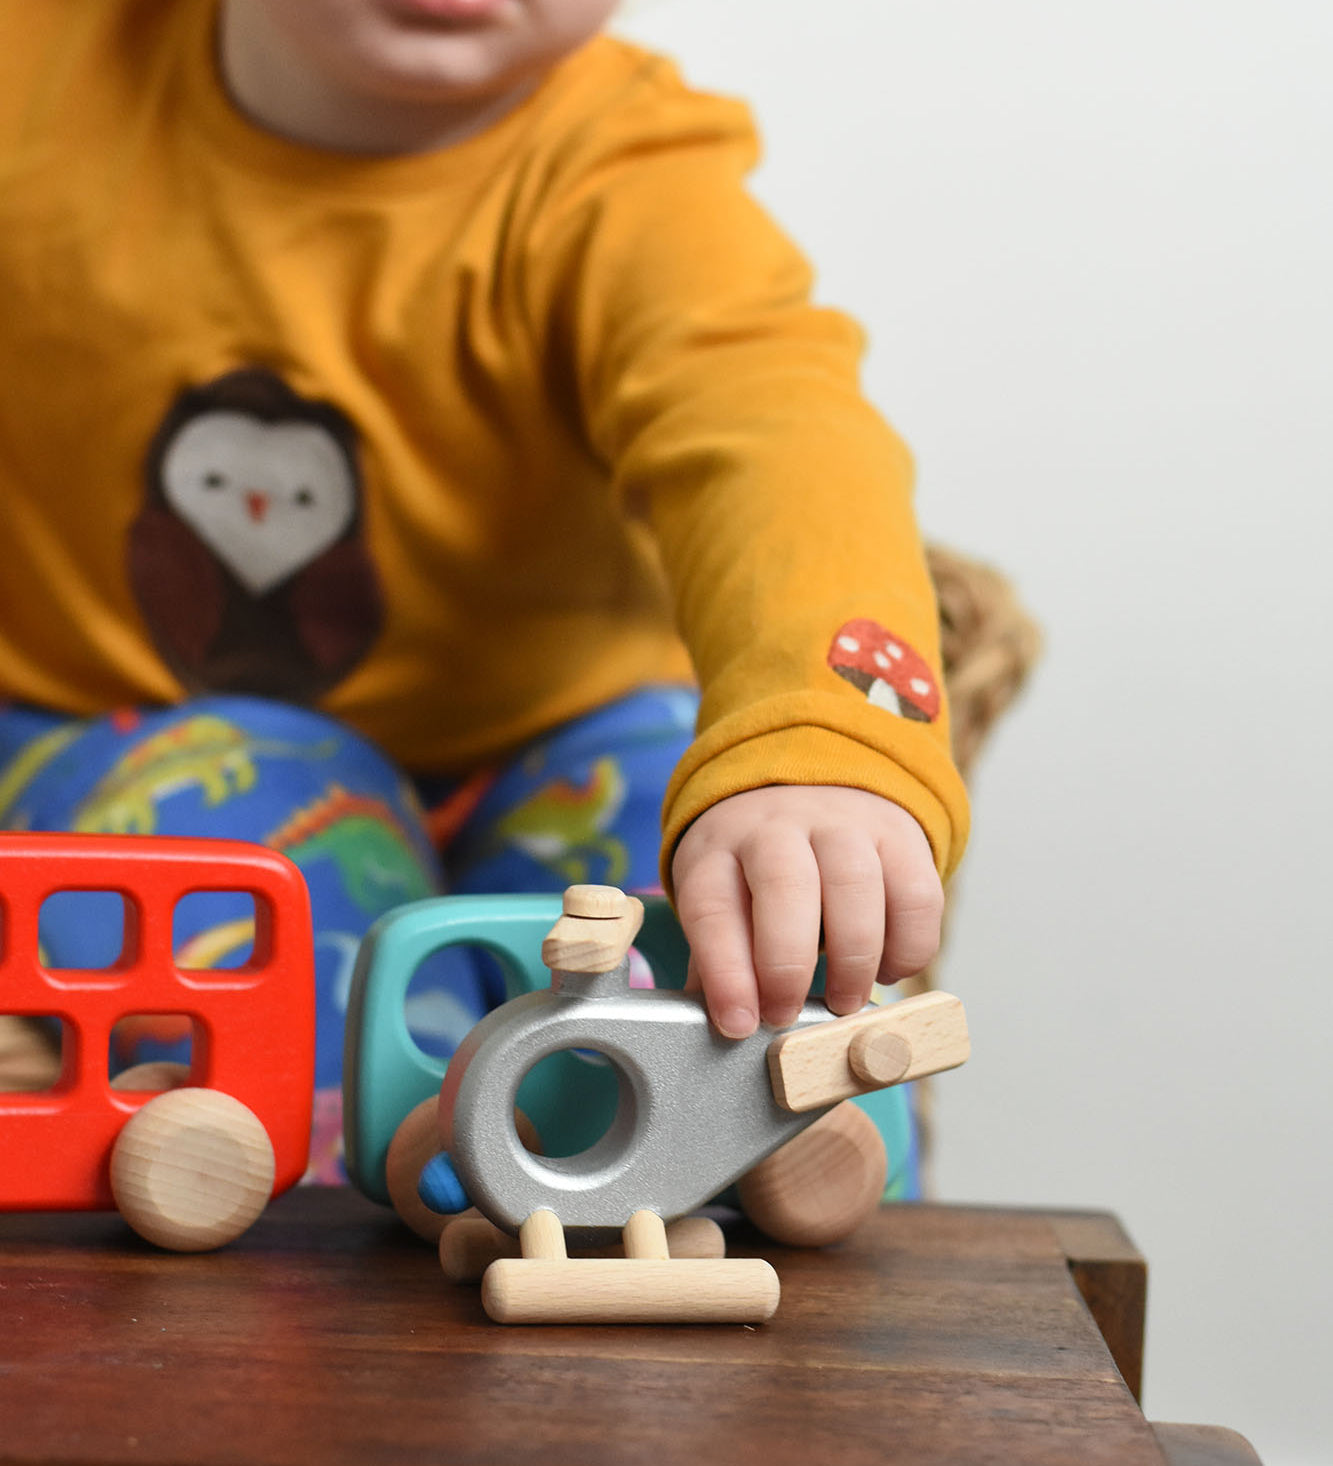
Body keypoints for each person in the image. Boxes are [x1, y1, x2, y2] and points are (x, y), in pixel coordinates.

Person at [0, 0, 968, 1193]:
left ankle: (776, 1146)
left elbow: (774, 436)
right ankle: (412, 1162)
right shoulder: (37, 68)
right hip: (94, 723)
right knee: (249, 806)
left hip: (554, 742)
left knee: (718, 867)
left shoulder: (623, 172)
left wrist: (813, 745)